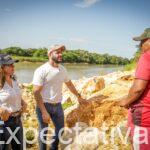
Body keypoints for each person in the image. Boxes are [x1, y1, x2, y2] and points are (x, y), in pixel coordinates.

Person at [32, 44, 88, 150]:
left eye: (61, 52)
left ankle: (53, 147)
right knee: (43, 132)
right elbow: (36, 92)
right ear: (50, 54)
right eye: (57, 52)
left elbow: (69, 84)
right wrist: (44, 111)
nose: (60, 54)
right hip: (44, 106)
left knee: (60, 130)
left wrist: (78, 96)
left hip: (58, 105)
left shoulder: (63, 69)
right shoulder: (41, 70)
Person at [117, 28, 150, 149]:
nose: (140, 45)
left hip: (144, 118)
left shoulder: (147, 56)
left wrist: (125, 101)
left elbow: (138, 89)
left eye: (142, 42)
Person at [0, 54, 27, 150]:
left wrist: (23, 102)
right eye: (10, 65)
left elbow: (16, 95)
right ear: (2, 67)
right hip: (3, 122)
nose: (13, 67)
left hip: (17, 120)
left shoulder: (14, 79)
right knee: (4, 148)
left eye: (13, 64)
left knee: (19, 147)